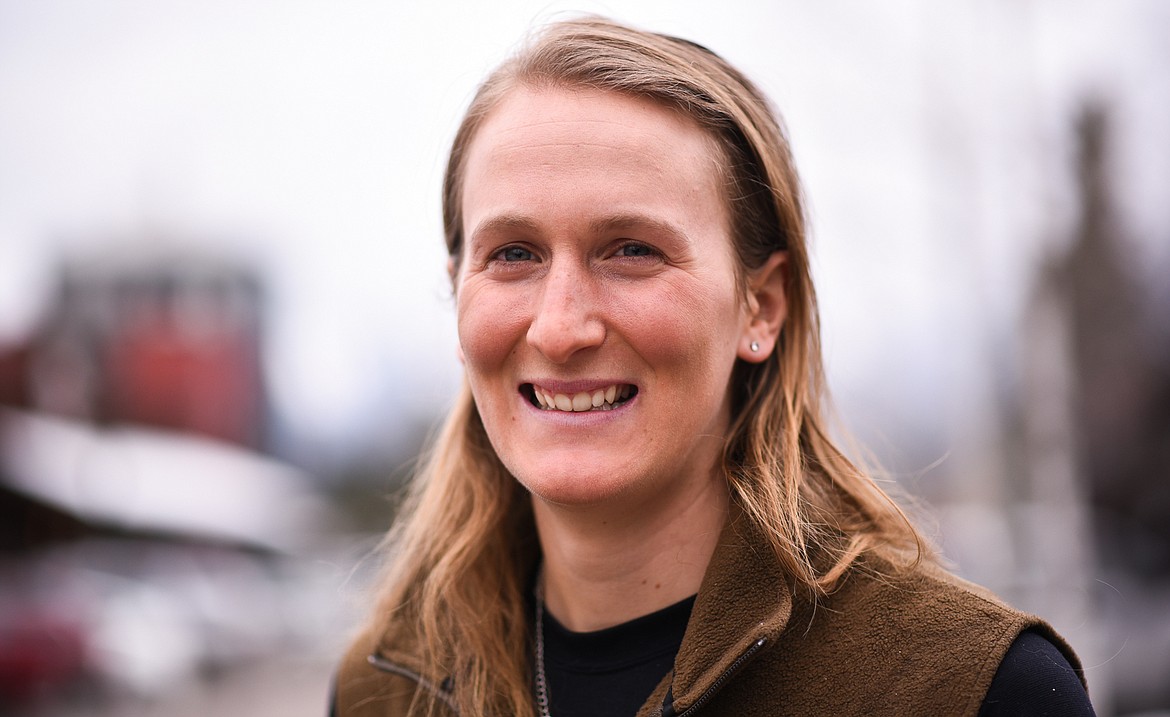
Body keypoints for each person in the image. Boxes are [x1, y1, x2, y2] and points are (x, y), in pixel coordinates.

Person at [334, 16, 1094, 717]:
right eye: (513, 255)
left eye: (631, 250)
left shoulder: (969, 689)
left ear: (760, 306)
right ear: (458, 294)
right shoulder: (383, 690)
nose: (560, 326)